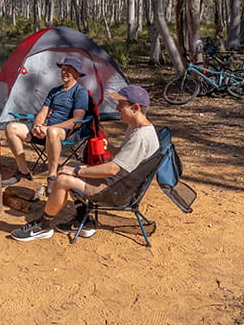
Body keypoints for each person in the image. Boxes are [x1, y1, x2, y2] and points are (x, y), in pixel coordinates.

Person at [10, 85, 158, 241]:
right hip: (123, 182)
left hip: (117, 191)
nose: (117, 108)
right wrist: (110, 148)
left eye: (121, 105)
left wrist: (77, 173)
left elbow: (113, 169)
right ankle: (84, 220)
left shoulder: (140, 137)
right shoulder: (137, 127)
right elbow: (124, 158)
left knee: (63, 178)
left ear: (135, 108)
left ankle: (43, 225)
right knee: (71, 165)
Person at [2, 55, 90, 191]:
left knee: (52, 132)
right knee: (11, 127)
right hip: (46, 129)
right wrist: (38, 126)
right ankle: (24, 171)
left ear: (77, 73)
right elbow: (42, 113)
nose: (64, 72)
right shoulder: (55, 91)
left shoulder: (80, 92)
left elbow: (76, 120)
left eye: (69, 69)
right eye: (63, 69)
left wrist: (48, 128)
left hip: (65, 132)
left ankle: (52, 176)